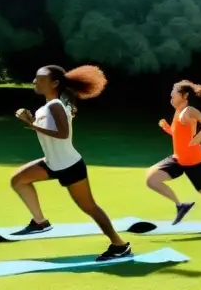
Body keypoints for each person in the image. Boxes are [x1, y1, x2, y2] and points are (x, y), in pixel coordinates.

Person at [10, 65, 133, 261]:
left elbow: (63, 134)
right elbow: (49, 131)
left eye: (40, 79)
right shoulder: (47, 107)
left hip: (69, 166)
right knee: (18, 180)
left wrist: (30, 124)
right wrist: (32, 119)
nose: (35, 82)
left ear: (55, 83)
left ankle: (120, 245)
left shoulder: (56, 105)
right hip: (52, 163)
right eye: (35, 78)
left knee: (89, 207)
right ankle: (40, 222)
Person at [146, 80, 201, 231]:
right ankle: (181, 206)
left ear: (184, 96)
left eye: (174, 92)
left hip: (194, 160)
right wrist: (166, 128)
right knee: (152, 179)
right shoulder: (178, 111)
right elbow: (178, 135)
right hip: (179, 158)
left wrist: (196, 140)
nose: (171, 95)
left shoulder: (189, 111)